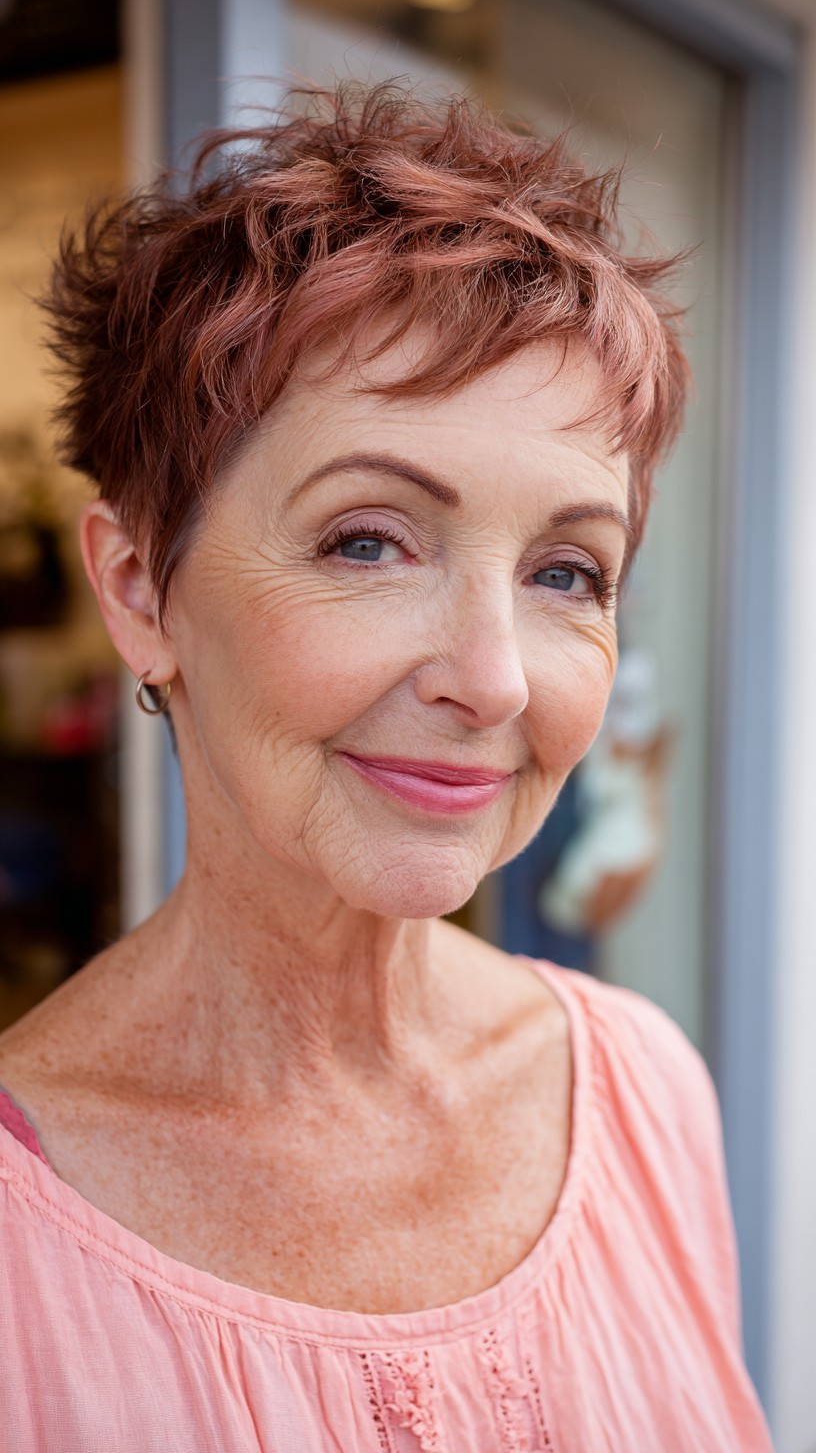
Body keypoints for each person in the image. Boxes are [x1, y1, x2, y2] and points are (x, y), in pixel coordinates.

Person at [0, 83, 772, 1451]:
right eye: (368, 540)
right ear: (137, 589)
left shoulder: (648, 1092)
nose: (494, 676)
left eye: (566, 572)